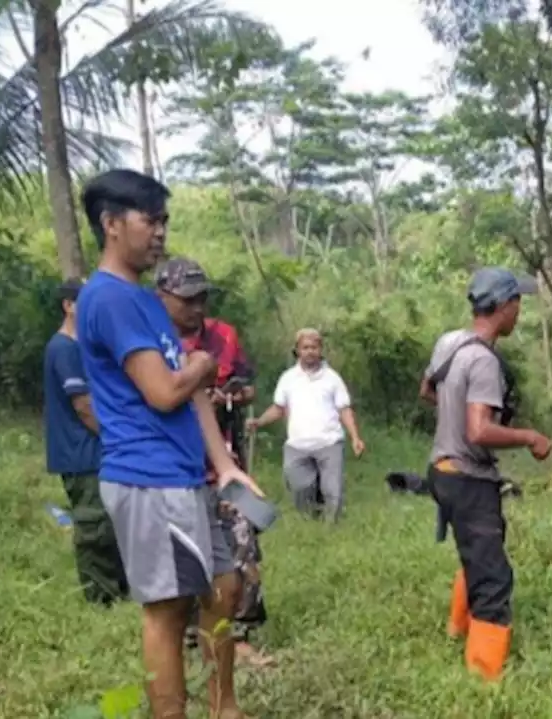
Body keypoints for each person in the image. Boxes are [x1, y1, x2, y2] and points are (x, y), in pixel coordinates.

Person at [75, 168, 263, 719]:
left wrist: (225, 464)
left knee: (224, 587)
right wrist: (205, 363)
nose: (160, 232)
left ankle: (223, 706)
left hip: (185, 476)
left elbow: (192, 393)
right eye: (149, 220)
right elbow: (165, 391)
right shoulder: (107, 299)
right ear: (112, 225)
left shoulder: (144, 304)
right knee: (167, 611)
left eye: (164, 221)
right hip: (148, 478)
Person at [419, 267, 552, 682]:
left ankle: (459, 627)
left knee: (476, 553)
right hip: (468, 477)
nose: (520, 313)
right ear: (505, 306)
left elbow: (427, 391)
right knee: (494, 576)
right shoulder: (482, 360)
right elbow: (479, 431)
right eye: (519, 304)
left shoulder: (449, 343)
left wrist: (451, 412)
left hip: (441, 470)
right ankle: (483, 676)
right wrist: (529, 436)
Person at [154, 256, 272, 668]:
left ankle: (238, 634)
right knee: (184, 556)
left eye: (202, 298)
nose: (196, 308)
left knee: (244, 543)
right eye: (187, 300)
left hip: (225, 462)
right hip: (173, 469)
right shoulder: (152, 342)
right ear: (162, 296)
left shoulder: (223, 336)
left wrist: (230, 395)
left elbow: (247, 386)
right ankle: (189, 632)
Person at [42, 277, 129, 606]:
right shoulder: (64, 349)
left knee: (111, 522)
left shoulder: (81, 347)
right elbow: (83, 406)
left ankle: (118, 589)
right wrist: (117, 439)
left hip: (94, 450)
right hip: (81, 451)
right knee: (93, 525)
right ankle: (100, 596)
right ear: (69, 306)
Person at [248, 328, 365, 523]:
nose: (310, 351)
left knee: (332, 491)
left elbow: (344, 409)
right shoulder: (288, 378)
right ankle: (311, 522)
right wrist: (259, 422)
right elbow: (279, 408)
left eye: (314, 347)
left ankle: (331, 530)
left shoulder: (332, 378)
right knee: (301, 487)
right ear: (297, 350)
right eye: (305, 347)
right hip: (297, 445)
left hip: (329, 443)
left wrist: (355, 437)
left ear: (321, 350)